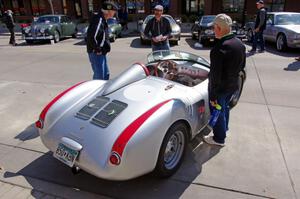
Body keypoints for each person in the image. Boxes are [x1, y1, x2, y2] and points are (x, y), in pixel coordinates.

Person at [203, 14, 246, 146]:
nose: (213, 30)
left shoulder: (219, 48)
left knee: (218, 111)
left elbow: (215, 75)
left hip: (220, 89)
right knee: (225, 108)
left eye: (214, 27)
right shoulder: (240, 44)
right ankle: (225, 129)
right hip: (232, 86)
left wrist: (213, 95)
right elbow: (242, 66)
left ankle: (219, 139)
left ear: (220, 28)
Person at [86, 1, 118, 80]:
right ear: (108, 11)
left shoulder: (103, 19)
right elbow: (91, 36)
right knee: (99, 78)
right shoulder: (99, 20)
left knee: (106, 75)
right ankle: (97, 92)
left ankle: (104, 92)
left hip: (101, 53)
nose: (114, 13)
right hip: (96, 54)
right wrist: (98, 49)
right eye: (114, 11)